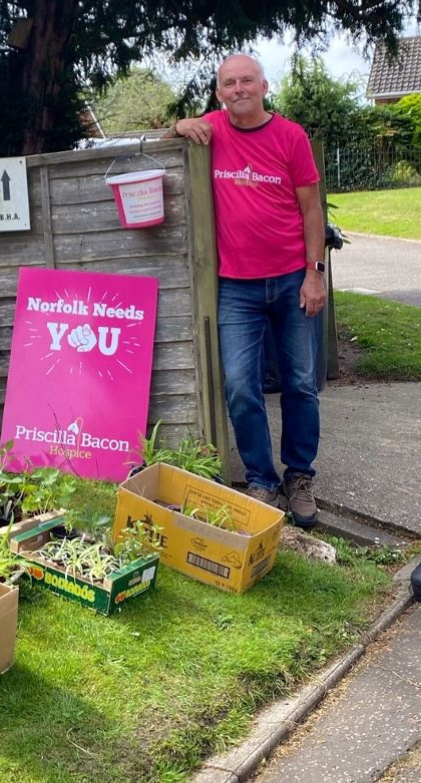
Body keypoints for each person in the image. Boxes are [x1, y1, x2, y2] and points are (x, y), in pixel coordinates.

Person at [166, 53, 326, 529]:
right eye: (229, 83)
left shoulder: (290, 137)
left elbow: (312, 210)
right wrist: (178, 124)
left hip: (292, 280)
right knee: (239, 384)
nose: (239, 89)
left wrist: (314, 272)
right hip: (235, 286)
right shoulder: (210, 131)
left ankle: (299, 475)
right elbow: (164, 142)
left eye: (247, 81)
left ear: (263, 85)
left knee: (299, 382)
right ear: (219, 92)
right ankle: (261, 477)